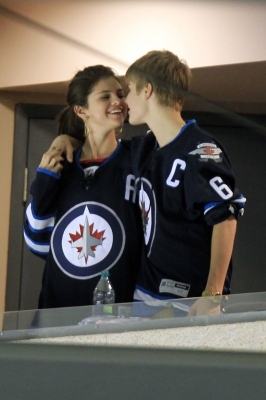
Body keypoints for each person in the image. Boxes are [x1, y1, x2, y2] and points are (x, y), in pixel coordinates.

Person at [50, 50, 245, 316]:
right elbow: (100, 146)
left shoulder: (200, 149)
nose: (124, 100)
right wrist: (67, 140)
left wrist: (212, 295)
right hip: (144, 298)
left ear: (147, 91)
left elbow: (226, 218)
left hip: (189, 304)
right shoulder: (145, 149)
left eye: (127, 90)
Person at [23, 65, 142, 309]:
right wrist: (45, 180)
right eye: (105, 96)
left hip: (122, 313)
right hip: (59, 313)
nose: (117, 101)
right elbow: (37, 241)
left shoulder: (138, 158)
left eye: (120, 94)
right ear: (81, 110)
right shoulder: (60, 166)